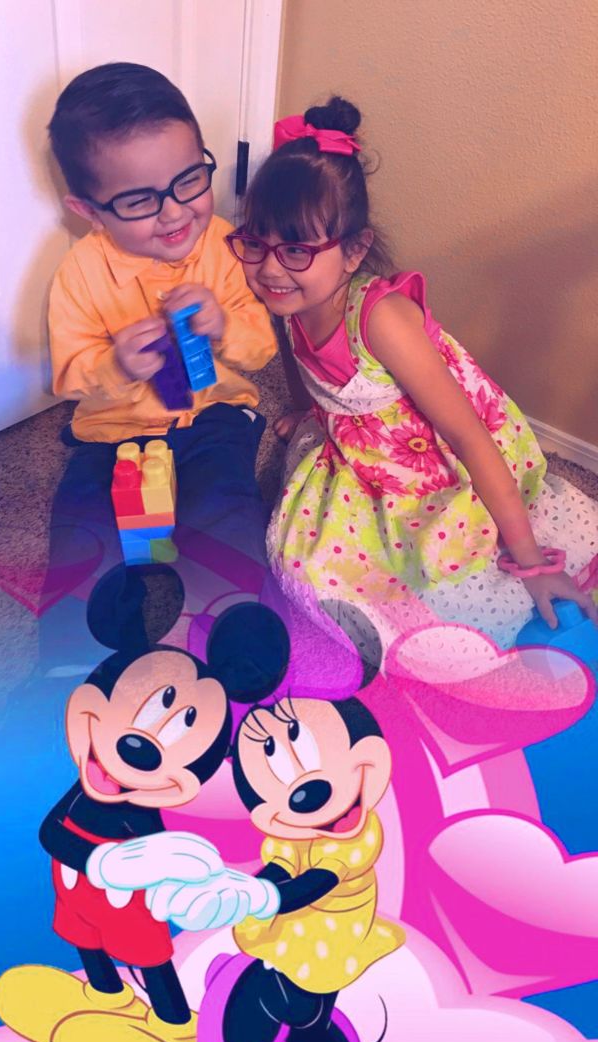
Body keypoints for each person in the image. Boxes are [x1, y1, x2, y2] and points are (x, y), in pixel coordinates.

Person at [225, 96, 598, 650]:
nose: (270, 269)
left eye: (297, 250)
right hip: (363, 446)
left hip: (441, 451)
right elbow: (298, 360)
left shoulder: (381, 319)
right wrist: (309, 411)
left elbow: (468, 436)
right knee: (310, 562)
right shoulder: (287, 297)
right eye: (256, 244)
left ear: (355, 252)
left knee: (445, 579)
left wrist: (530, 562)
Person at [41, 62, 277, 667]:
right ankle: (73, 662)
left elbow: (262, 350)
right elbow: (69, 376)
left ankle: (231, 635)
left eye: (189, 180)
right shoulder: (80, 274)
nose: (174, 213)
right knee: (82, 529)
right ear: (89, 210)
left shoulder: (224, 247)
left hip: (211, 415)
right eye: (141, 200)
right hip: (112, 434)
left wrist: (224, 326)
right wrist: (116, 365)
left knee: (226, 508)